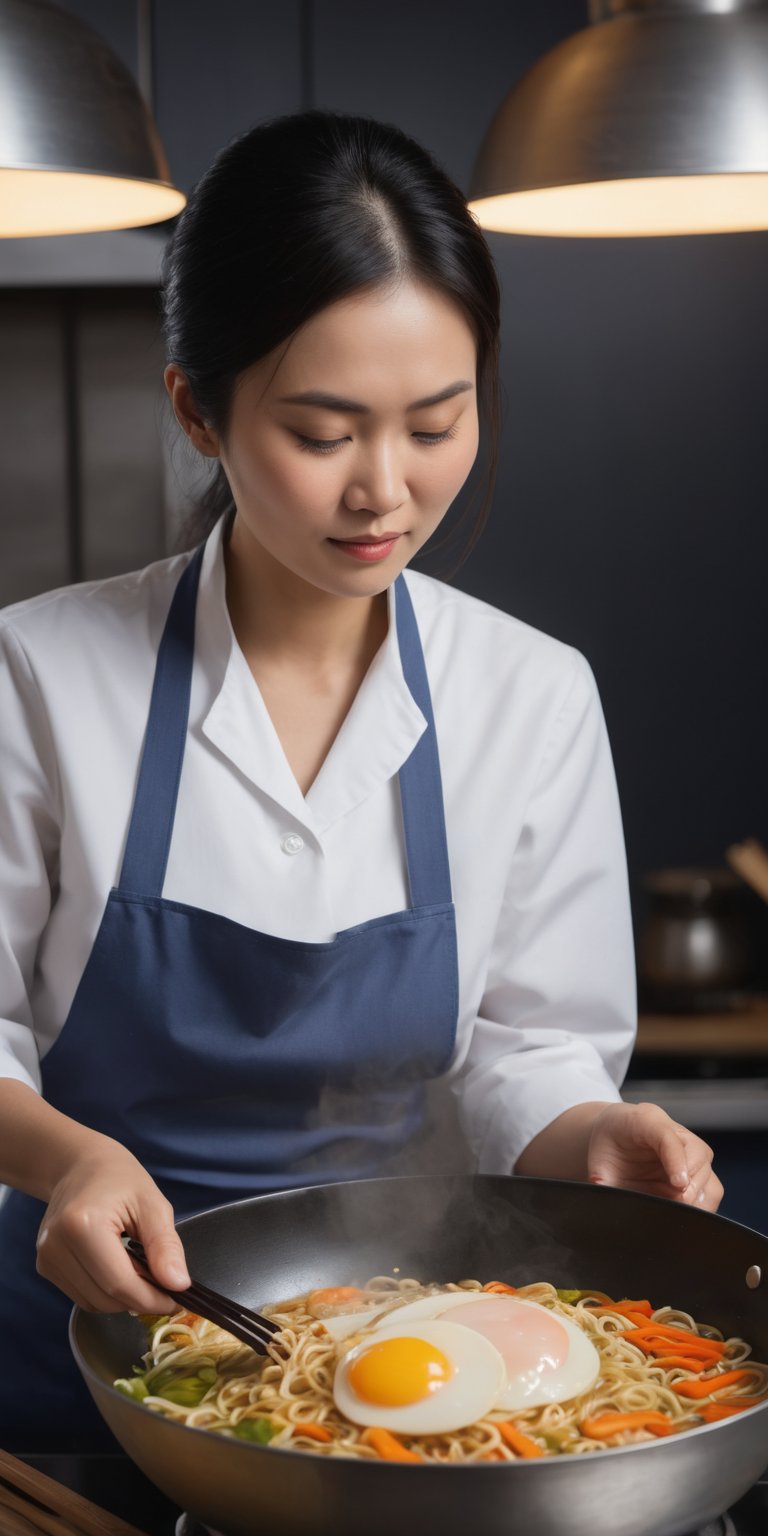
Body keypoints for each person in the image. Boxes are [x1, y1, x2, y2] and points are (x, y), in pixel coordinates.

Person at [0, 111, 721, 1433]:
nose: (385, 491)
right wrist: (70, 1160)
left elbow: (528, 1047)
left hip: (416, 1365)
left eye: (437, 426)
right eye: (324, 434)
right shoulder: (37, 677)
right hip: (81, 1361)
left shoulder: (531, 695)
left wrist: (587, 1133)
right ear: (197, 410)